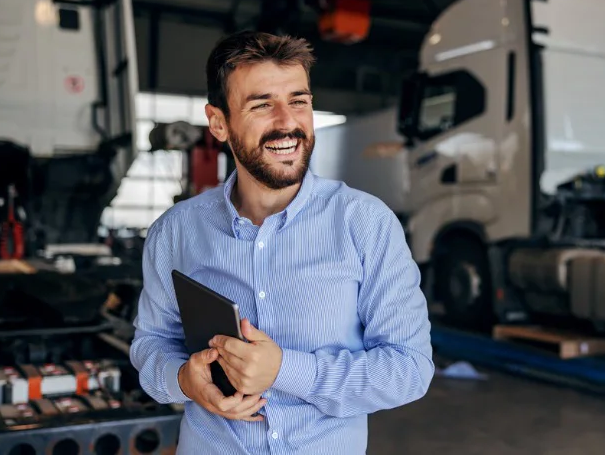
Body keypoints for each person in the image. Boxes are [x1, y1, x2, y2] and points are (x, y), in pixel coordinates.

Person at [129, 31, 434, 454]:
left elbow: (410, 369)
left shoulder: (364, 224)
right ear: (218, 122)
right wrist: (183, 380)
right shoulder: (176, 232)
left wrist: (285, 371)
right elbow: (150, 344)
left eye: (298, 101)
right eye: (261, 105)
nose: (287, 122)